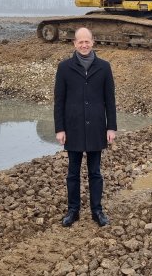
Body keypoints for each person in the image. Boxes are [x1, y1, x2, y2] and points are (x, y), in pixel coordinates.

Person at [54, 27, 118, 227]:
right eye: (80, 42)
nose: (83, 45)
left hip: (96, 127)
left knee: (95, 172)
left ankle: (97, 210)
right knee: (72, 173)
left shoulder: (104, 67)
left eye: (87, 41)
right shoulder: (64, 68)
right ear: (74, 44)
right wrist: (60, 129)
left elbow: (110, 100)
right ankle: (73, 211)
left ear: (93, 42)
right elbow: (59, 101)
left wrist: (111, 127)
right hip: (72, 128)